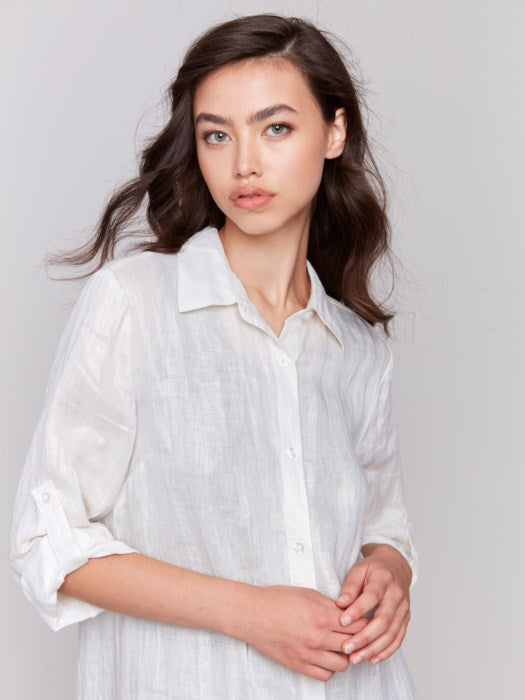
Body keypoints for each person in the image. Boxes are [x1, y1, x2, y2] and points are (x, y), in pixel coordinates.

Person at [9, 12, 420, 699]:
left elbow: (384, 524)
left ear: (334, 133)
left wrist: (390, 573)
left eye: (276, 127)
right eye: (216, 135)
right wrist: (251, 613)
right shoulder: (134, 303)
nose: (243, 164)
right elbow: (48, 541)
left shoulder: (355, 346)